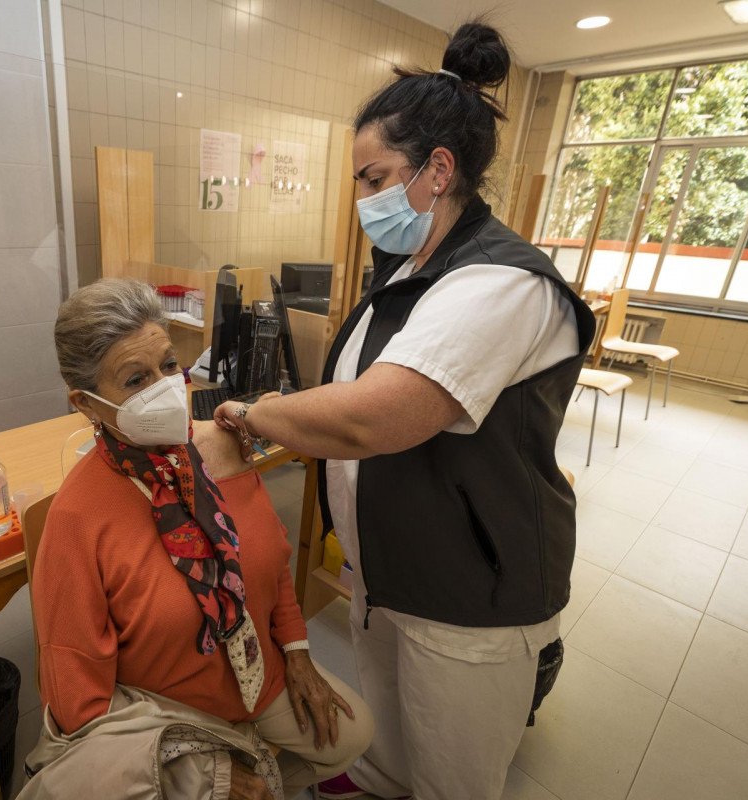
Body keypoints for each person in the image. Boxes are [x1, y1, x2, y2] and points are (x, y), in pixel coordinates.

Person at [215, 21, 596, 800]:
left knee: (453, 766)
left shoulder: (501, 284)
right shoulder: (411, 266)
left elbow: (371, 419)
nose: (361, 197)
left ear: (437, 170)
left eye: (373, 176)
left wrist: (253, 415)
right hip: (387, 563)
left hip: (468, 588)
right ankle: (381, 774)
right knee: (386, 707)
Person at [30, 278, 373, 799]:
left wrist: (297, 651)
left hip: (252, 667)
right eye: (135, 379)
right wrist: (194, 773)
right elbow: (80, 700)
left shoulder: (216, 450)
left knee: (352, 736)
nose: (164, 388)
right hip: (161, 710)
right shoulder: (78, 517)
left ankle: (260, 767)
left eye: (168, 366)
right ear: (87, 403)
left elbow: (272, 564)